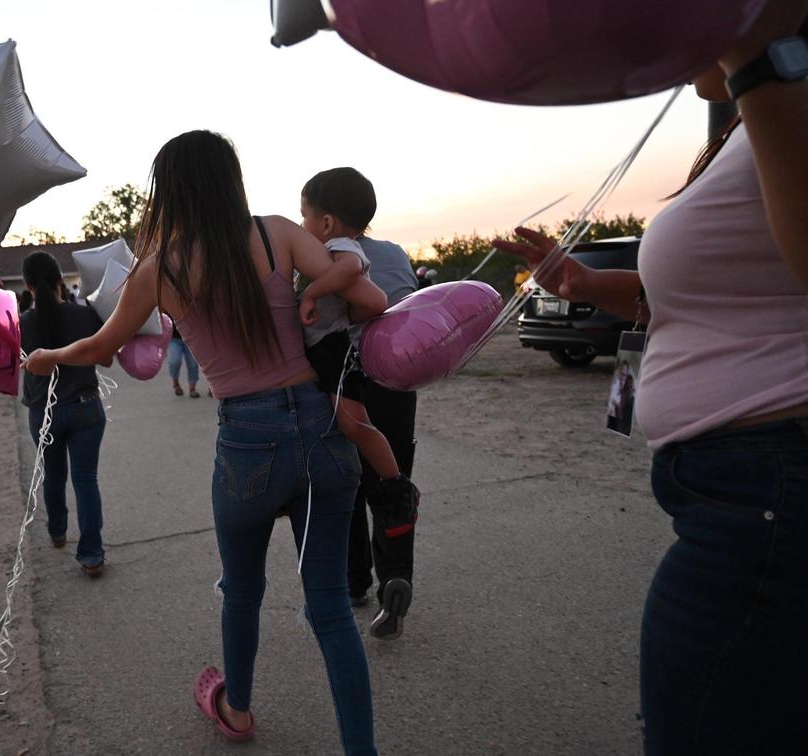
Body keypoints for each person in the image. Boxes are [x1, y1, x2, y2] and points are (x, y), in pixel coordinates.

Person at [496, 7, 808, 753]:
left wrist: (757, 60)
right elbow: (711, 297)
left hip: (766, 495)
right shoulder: (759, 115)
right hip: (741, 492)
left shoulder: (778, 90)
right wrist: (578, 282)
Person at [24, 130, 387, 754]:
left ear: (170, 191)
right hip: (321, 426)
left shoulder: (158, 268)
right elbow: (364, 297)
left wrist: (44, 356)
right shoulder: (279, 232)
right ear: (230, 179)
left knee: (242, 591)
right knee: (329, 607)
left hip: (246, 440)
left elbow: (99, 349)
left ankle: (238, 711)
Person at [298, 167, 421, 639]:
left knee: (343, 484)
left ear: (326, 219)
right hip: (396, 384)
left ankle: (354, 582)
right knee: (390, 486)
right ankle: (397, 575)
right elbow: (406, 309)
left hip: (344, 378)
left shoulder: (321, 256)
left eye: (304, 212)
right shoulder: (393, 253)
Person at [21, 252, 110, 578]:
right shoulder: (84, 315)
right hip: (85, 407)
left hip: (43, 413)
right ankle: (91, 556)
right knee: (86, 480)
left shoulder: (20, 323)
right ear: (61, 280)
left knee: (54, 475)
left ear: (29, 286)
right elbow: (107, 355)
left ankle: (58, 531)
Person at [167, 322, 201, 397]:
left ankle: (192, 388)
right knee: (174, 361)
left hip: (191, 337)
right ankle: (176, 383)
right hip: (174, 338)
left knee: (193, 363)